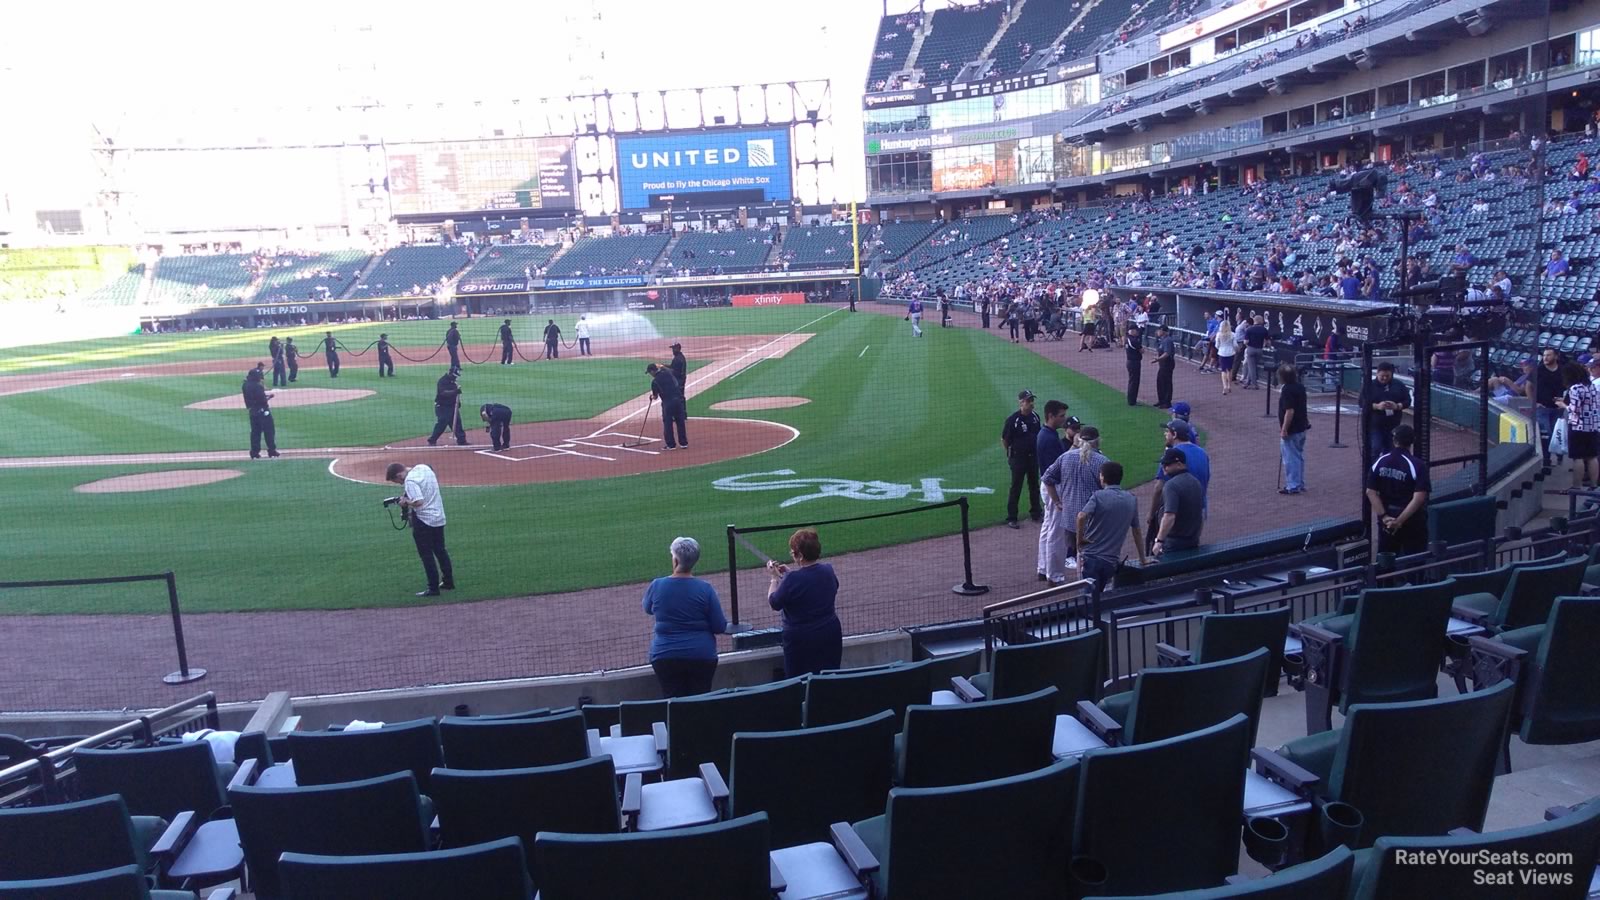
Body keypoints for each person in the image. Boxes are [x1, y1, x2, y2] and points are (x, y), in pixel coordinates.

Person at [642, 536, 730, 697]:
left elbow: (648, 609)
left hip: (664, 656)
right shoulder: (706, 589)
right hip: (701, 656)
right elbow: (719, 626)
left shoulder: (657, 585)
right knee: (700, 703)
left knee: (674, 704)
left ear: (675, 560)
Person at [765, 528, 843, 677]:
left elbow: (774, 601)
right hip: (829, 633)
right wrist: (789, 574)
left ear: (800, 555)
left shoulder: (792, 579)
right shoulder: (828, 570)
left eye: (793, 552)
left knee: (799, 680)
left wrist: (774, 579)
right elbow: (821, 585)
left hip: (801, 640)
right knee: (829, 677)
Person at [1075, 461, 1146, 611]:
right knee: (1103, 600)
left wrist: (1079, 539)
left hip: (1091, 559)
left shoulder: (1098, 496)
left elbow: (1081, 516)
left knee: (1087, 603)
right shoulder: (1131, 498)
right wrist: (1143, 559)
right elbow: (1137, 531)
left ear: (1102, 477)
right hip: (1111, 563)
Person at [1042, 426, 1107, 581]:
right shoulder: (1102, 461)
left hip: (1070, 517)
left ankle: (1081, 584)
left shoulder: (1065, 457)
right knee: (1094, 553)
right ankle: (1091, 585)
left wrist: (1056, 501)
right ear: (1097, 441)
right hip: (1093, 518)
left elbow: (1046, 479)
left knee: (1079, 552)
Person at [385, 461, 455, 597]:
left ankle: (433, 588)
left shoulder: (410, 481)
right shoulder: (424, 468)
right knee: (440, 550)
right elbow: (428, 469)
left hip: (424, 521)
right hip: (439, 517)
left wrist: (406, 502)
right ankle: (448, 581)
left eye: (397, 480)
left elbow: (418, 502)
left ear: (399, 474)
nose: (400, 483)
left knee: (426, 555)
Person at [1365, 424, 1430, 557]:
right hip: (1411, 521)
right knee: (1414, 563)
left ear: (1394, 441)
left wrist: (1384, 517)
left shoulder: (1380, 462)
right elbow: (1419, 497)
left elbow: (1370, 492)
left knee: (1385, 563)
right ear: (1413, 441)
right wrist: (1399, 521)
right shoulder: (1418, 465)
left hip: (1387, 521)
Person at [1034, 400, 1070, 580]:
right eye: (1061, 416)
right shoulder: (1048, 438)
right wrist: (1056, 498)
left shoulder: (1046, 434)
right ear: (1051, 416)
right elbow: (1056, 470)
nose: (1064, 419)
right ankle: (1054, 575)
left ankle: (1043, 568)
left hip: (1047, 486)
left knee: (1048, 527)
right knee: (1056, 532)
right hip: (1052, 487)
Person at [1000, 389, 1043, 528]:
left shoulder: (1035, 417)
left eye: (1032, 400)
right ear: (1021, 402)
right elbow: (1004, 439)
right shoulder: (1013, 420)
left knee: (1034, 485)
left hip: (1032, 457)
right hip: (1018, 458)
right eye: (1028, 401)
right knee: (1016, 487)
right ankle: (1012, 517)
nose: (1031, 403)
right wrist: (1011, 454)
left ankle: (1036, 513)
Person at [1555, 361, 1599, 487]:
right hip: (1592, 426)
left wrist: (1563, 404)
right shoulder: (1591, 386)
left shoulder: (1575, 388)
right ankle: (1594, 485)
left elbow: (1575, 410)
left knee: (1578, 457)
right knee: (1592, 456)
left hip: (1578, 426)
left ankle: (1576, 486)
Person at [1152, 449, 1204, 555]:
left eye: (1167, 464)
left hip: (1174, 544)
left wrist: (1159, 541)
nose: (1164, 468)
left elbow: (1169, 516)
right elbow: (1200, 514)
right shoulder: (1195, 482)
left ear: (1179, 464)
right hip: (1193, 540)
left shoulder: (1171, 485)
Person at [1360, 361, 1410, 461]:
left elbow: (1407, 400)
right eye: (1382, 376)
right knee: (1375, 448)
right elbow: (1361, 402)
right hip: (1374, 424)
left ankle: (1386, 470)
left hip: (1393, 424)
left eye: (1387, 376)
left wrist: (1397, 406)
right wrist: (1377, 406)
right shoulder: (1369, 385)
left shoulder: (1398, 384)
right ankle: (1372, 470)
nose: (1385, 378)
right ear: (1377, 373)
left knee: (1391, 450)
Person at [1278, 362, 1310, 494]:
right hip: (1302, 427)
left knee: (1291, 458)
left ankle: (1293, 485)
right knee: (1298, 456)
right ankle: (1299, 483)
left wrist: (1284, 429)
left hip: (1292, 429)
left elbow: (1289, 411)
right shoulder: (1300, 387)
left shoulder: (1287, 390)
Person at [1533, 347, 1565, 465]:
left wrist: (1564, 401)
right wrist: (1534, 402)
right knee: (1546, 433)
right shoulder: (1539, 370)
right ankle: (1546, 459)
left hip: (1557, 408)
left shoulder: (1562, 370)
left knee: (1556, 433)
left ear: (1556, 356)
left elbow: (1568, 387)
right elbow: (1528, 386)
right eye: (1544, 355)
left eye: (1548, 355)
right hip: (1542, 408)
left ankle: (1559, 454)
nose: (1545, 357)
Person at [648, 363, 688, 450]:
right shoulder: (667, 373)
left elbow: (655, 396)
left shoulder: (655, 382)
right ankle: (683, 443)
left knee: (668, 423)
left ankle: (671, 444)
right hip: (678, 400)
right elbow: (674, 379)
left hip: (668, 403)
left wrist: (651, 396)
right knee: (680, 422)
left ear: (652, 371)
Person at [241, 367, 279, 459]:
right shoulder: (258, 386)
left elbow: (253, 397)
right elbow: (262, 400)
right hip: (262, 411)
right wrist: (269, 397)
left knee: (255, 432)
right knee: (269, 431)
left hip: (253, 411)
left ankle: (254, 452)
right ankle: (272, 451)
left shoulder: (245, 385)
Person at [428, 370, 468, 446]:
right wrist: (455, 391)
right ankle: (432, 440)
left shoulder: (454, 382)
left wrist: (458, 403)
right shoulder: (442, 381)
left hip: (452, 406)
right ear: (450, 374)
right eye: (455, 376)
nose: (456, 378)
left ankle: (462, 440)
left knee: (457, 423)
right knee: (442, 422)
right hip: (442, 406)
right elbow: (443, 393)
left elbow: (455, 396)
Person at [1241, 315, 1271, 389]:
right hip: (1259, 349)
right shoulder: (1264, 330)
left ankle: (1255, 384)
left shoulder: (1249, 329)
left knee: (1251, 367)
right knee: (1253, 366)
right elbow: (1268, 342)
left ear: (1254, 320)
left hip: (1251, 348)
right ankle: (1247, 383)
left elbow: (1245, 341)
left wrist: (1248, 346)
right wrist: (1268, 346)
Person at [1151, 324, 1176, 409]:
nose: (1157, 332)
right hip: (1163, 364)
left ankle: (1167, 402)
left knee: (1166, 382)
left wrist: (1158, 359)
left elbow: (1167, 353)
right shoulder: (1162, 340)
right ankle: (1161, 400)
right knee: (1160, 382)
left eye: (1159, 330)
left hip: (1167, 363)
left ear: (1163, 331)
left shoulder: (1168, 340)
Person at [1214, 317, 1237, 394]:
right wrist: (1236, 349)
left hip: (1222, 353)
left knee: (1223, 370)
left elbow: (1217, 345)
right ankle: (1229, 385)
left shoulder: (1219, 334)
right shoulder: (1233, 334)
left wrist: (1220, 348)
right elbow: (1235, 345)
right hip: (1231, 353)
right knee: (1229, 369)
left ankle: (1224, 387)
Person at [1124, 324, 1143, 406]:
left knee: (1132, 381)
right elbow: (1142, 350)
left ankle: (1131, 399)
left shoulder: (1127, 339)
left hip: (1130, 361)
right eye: (1136, 330)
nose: (1137, 332)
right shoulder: (1134, 340)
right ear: (1132, 331)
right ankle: (1132, 401)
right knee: (1134, 382)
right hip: (1134, 362)